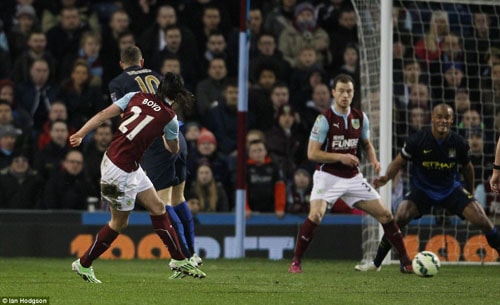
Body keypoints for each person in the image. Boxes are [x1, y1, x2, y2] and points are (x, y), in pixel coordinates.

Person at [69, 72, 206, 283]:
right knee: (118, 224)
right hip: (118, 173)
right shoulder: (169, 117)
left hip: (120, 162)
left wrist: (80, 133)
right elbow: (173, 149)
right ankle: (84, 263)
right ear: (177, 95)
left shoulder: (135, 95)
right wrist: (170, 137)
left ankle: (179, 259)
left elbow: (104, 114)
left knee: (158, 207)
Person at [288, 74, 412, 273]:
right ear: (333, 93)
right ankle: (296, 262)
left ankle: (406, 262)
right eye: (342, 91)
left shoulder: (360, 118)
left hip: (353, 178)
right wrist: (341, 157)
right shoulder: (324, 120)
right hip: (327, 176)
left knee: (386, 215)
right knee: (316, 215)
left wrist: (374, 159)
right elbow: (312, 153)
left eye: (349, 91)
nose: (345, 95)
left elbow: (366, 144)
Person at [356, 103, 500, 272]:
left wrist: (471, 192)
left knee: (482, 220)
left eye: (447, 117)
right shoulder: (418, 140)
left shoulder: (458, 142)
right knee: (400, 216)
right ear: (432, 118)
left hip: (450, 189)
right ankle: (377, 263)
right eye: (439, 117)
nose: (443, 121)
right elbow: (398, 162)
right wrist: (386, 177)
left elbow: (468, 168)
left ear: (452, 120)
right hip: (422, 190)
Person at [109, 46, 202, 279]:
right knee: (178, 197)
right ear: (141, 61)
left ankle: (183, 258)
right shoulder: (156, 75)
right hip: (176, 133)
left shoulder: (118, 83)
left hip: (156, 143)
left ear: (121, 64)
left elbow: (127, 117)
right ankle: (192, 255)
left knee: (162, 202)